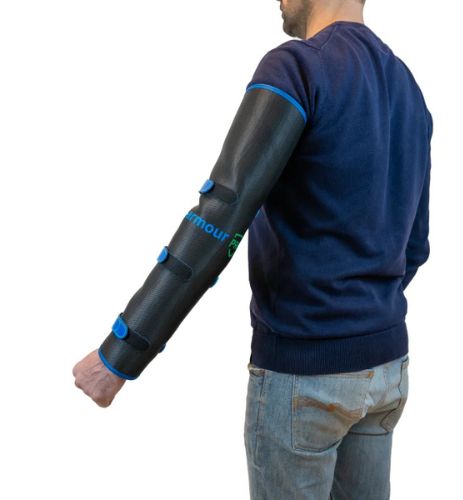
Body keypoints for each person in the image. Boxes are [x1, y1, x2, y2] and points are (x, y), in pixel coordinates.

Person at [73, 0, 433, 498]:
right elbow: (415, 245)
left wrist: (120, 354)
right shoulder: (409, 88)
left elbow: (221, 214)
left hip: (305, 375)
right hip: (387, 369)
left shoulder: (298, 68)